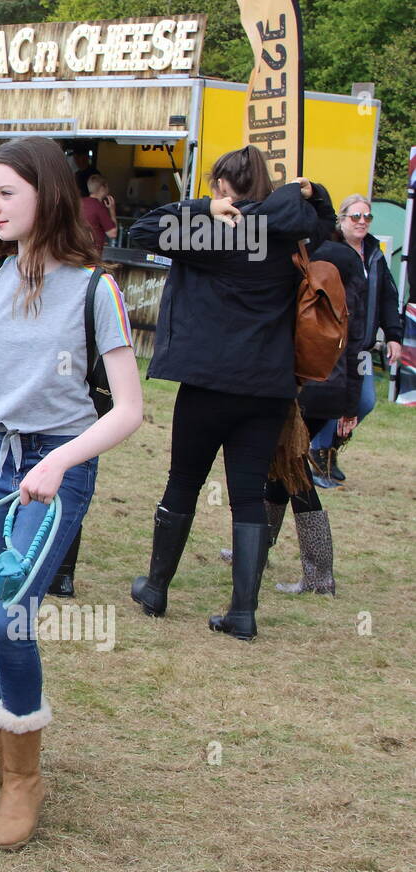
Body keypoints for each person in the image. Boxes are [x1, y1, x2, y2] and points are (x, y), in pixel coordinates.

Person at [0, 136, 142, 849]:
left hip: (59, 467)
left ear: (48, 194)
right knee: (5, 612)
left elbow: (129, 409)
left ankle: (23, 783)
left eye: (8, 190)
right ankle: (9, 770)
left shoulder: (95, 288)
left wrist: (60, 463)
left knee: (12, 605)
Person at [127, 146, 334, 640]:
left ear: (223, 186)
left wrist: (200, 209)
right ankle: (243, 612)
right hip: (266, 388)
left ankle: (155, 588)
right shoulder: (288, 233)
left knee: (183, 483)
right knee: (246, 497)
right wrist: (314, 191)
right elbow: (325, 226)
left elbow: (139, 231)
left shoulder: (213, 230)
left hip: (207, 383)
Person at [263, 229, 368, 596]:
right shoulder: (346, 274)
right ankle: (257, 549)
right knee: (281, 465)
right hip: (328, 389)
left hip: (310, 387)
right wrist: (350, 402)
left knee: (293, 470)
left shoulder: (318, 271)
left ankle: (319, 575)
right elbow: (357, 346)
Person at [306, 195, 403, 485]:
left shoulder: (374, 254)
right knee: (330, 399)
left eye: (367, 217)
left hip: (361, 344)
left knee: (364, 402)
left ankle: (327, 448)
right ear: (342, 219)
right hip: (331, 343)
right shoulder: (328, 250)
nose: (362, 222)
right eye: (355, 217)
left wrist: (394, 336)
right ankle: (317, 453)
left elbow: (388, 296)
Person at [80, 174, 117, 253]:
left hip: (75, 251)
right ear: (102, 188)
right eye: (107, 186)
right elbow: (112, 234)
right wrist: (112, 210)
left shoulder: (78, 203)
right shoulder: (99, 207)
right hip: (91, 254)